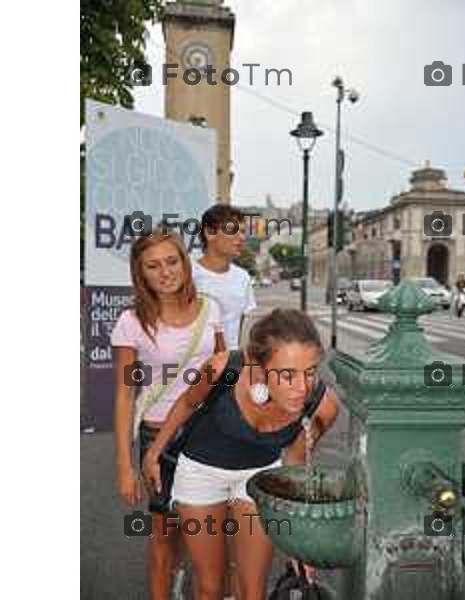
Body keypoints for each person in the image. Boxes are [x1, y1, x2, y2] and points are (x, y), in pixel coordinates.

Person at [143, 309, 340, 600]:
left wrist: (299, 543)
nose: (302, 388)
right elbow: (187, 403)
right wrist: (153, 453)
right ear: (259, 367)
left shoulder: (323, 408)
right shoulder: (222, 368)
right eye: (287, 374)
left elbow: (294, 464)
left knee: (252, 590)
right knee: (210, 586)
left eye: (310, 372)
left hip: (258, 477)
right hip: (201, 474)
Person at [111, 228, 225, 600]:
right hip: (161, 441)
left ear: (184, 262)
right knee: (164, 538)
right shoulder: (132, 322)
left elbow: (223, 373)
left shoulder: (211, 310)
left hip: (210, 437)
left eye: (172, 261)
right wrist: (126, 466)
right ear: (140, 273)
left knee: (210, 541)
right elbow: (126, 394)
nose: (165, 272)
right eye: (153, 266)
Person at [192, 204, 257, 350]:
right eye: (232, 230)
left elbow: (242, 323)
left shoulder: (243, 278)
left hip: (230, 364)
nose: (241, 237)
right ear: (210, 233)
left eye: (242, 231)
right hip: (196, 365)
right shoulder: (188, 276)